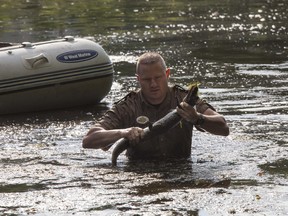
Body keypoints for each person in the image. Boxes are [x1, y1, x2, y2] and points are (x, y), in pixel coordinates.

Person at [82, 52, 229, 160]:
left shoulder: (184, 98)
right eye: (147, 79)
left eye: (158, 78)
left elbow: (224, 128)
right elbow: (88, 140)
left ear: (167, 74)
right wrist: (123, 132)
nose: (153, 84)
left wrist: (198, 118)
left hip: (181, 168)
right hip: (139, 172)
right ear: (138, 79)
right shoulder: (128, 106)